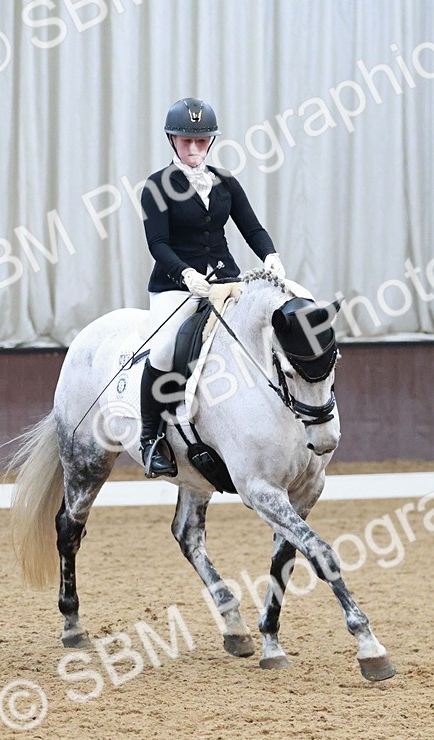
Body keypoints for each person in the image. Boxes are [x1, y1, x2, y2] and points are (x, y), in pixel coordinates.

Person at [137, 97, 287, 478]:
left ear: (210, 143)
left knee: (264, 334)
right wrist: (186, 275)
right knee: (165, 348)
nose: (193, 149)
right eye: (186, 141)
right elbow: (158, 244)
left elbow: (251, 227)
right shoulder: (156, 186)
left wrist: (270, 256)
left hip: (226, 280)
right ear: (172, 140)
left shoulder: (225, 183)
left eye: (201, 141)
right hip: (177, 286)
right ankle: (151, 438)